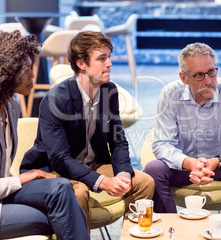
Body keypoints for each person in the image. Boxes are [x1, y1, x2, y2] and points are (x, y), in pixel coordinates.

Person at [20, 31, 155, 230]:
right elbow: (60, 159)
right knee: (78, 192)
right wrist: (103, 182)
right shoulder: (56, 99)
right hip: (56, 170)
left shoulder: (109, 91)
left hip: (94, 163)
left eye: (109, 56)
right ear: (81, 64)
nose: (109, 63)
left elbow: (118, 141)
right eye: (102, 58)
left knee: (144, 182)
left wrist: (123, 176)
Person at [143, 42, 221, 240]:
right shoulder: (170, 94)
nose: (208, 80)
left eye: (212, 72)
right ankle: (173, 233)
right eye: (199, 75)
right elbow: (162, 144)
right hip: (185, 167)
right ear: (183, 78)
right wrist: (189, 163)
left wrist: (219, 161)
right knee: (153, 170)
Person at [0, 31, 89, 239]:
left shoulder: (11, 106)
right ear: (6, 72)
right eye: (25, 71)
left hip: (4, 191)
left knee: (61, 187)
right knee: (64, 213)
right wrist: (27, 176)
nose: (33, 77)